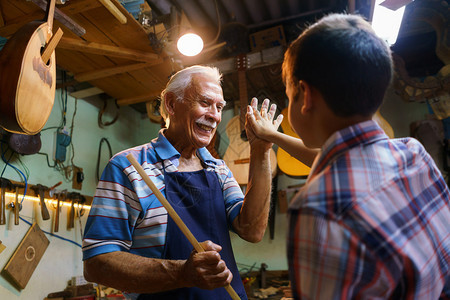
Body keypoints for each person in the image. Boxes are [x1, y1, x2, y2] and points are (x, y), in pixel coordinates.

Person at [246, 13, 450, 299]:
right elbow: (341, 160)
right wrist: (272, 136)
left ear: (305, 96)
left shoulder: (317, 208)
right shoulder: (413, 154)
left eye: (289, 96)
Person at [82, 65, 281, 300]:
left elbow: (252, 229)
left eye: (219, 107)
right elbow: (96, 263)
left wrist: (261, 150)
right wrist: (182, 273)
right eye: (205, 103)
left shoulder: (218, 169)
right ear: (171, 104)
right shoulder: (129, 167)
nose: (215, 116)